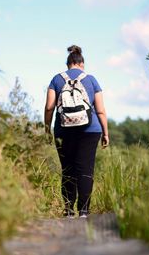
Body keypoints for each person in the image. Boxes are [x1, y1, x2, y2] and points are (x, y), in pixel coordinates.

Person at [44, 45, 109, 218]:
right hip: (89, 130)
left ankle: (68, 210)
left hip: (63, 131)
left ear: (68, 64)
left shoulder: (56, 80)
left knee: (68, 169)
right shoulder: (92, 80)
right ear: (82, 63)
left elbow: (49, 107)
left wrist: (47, 128)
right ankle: (84, 211)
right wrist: (106, 133)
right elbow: (101, 110)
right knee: (86, 169)